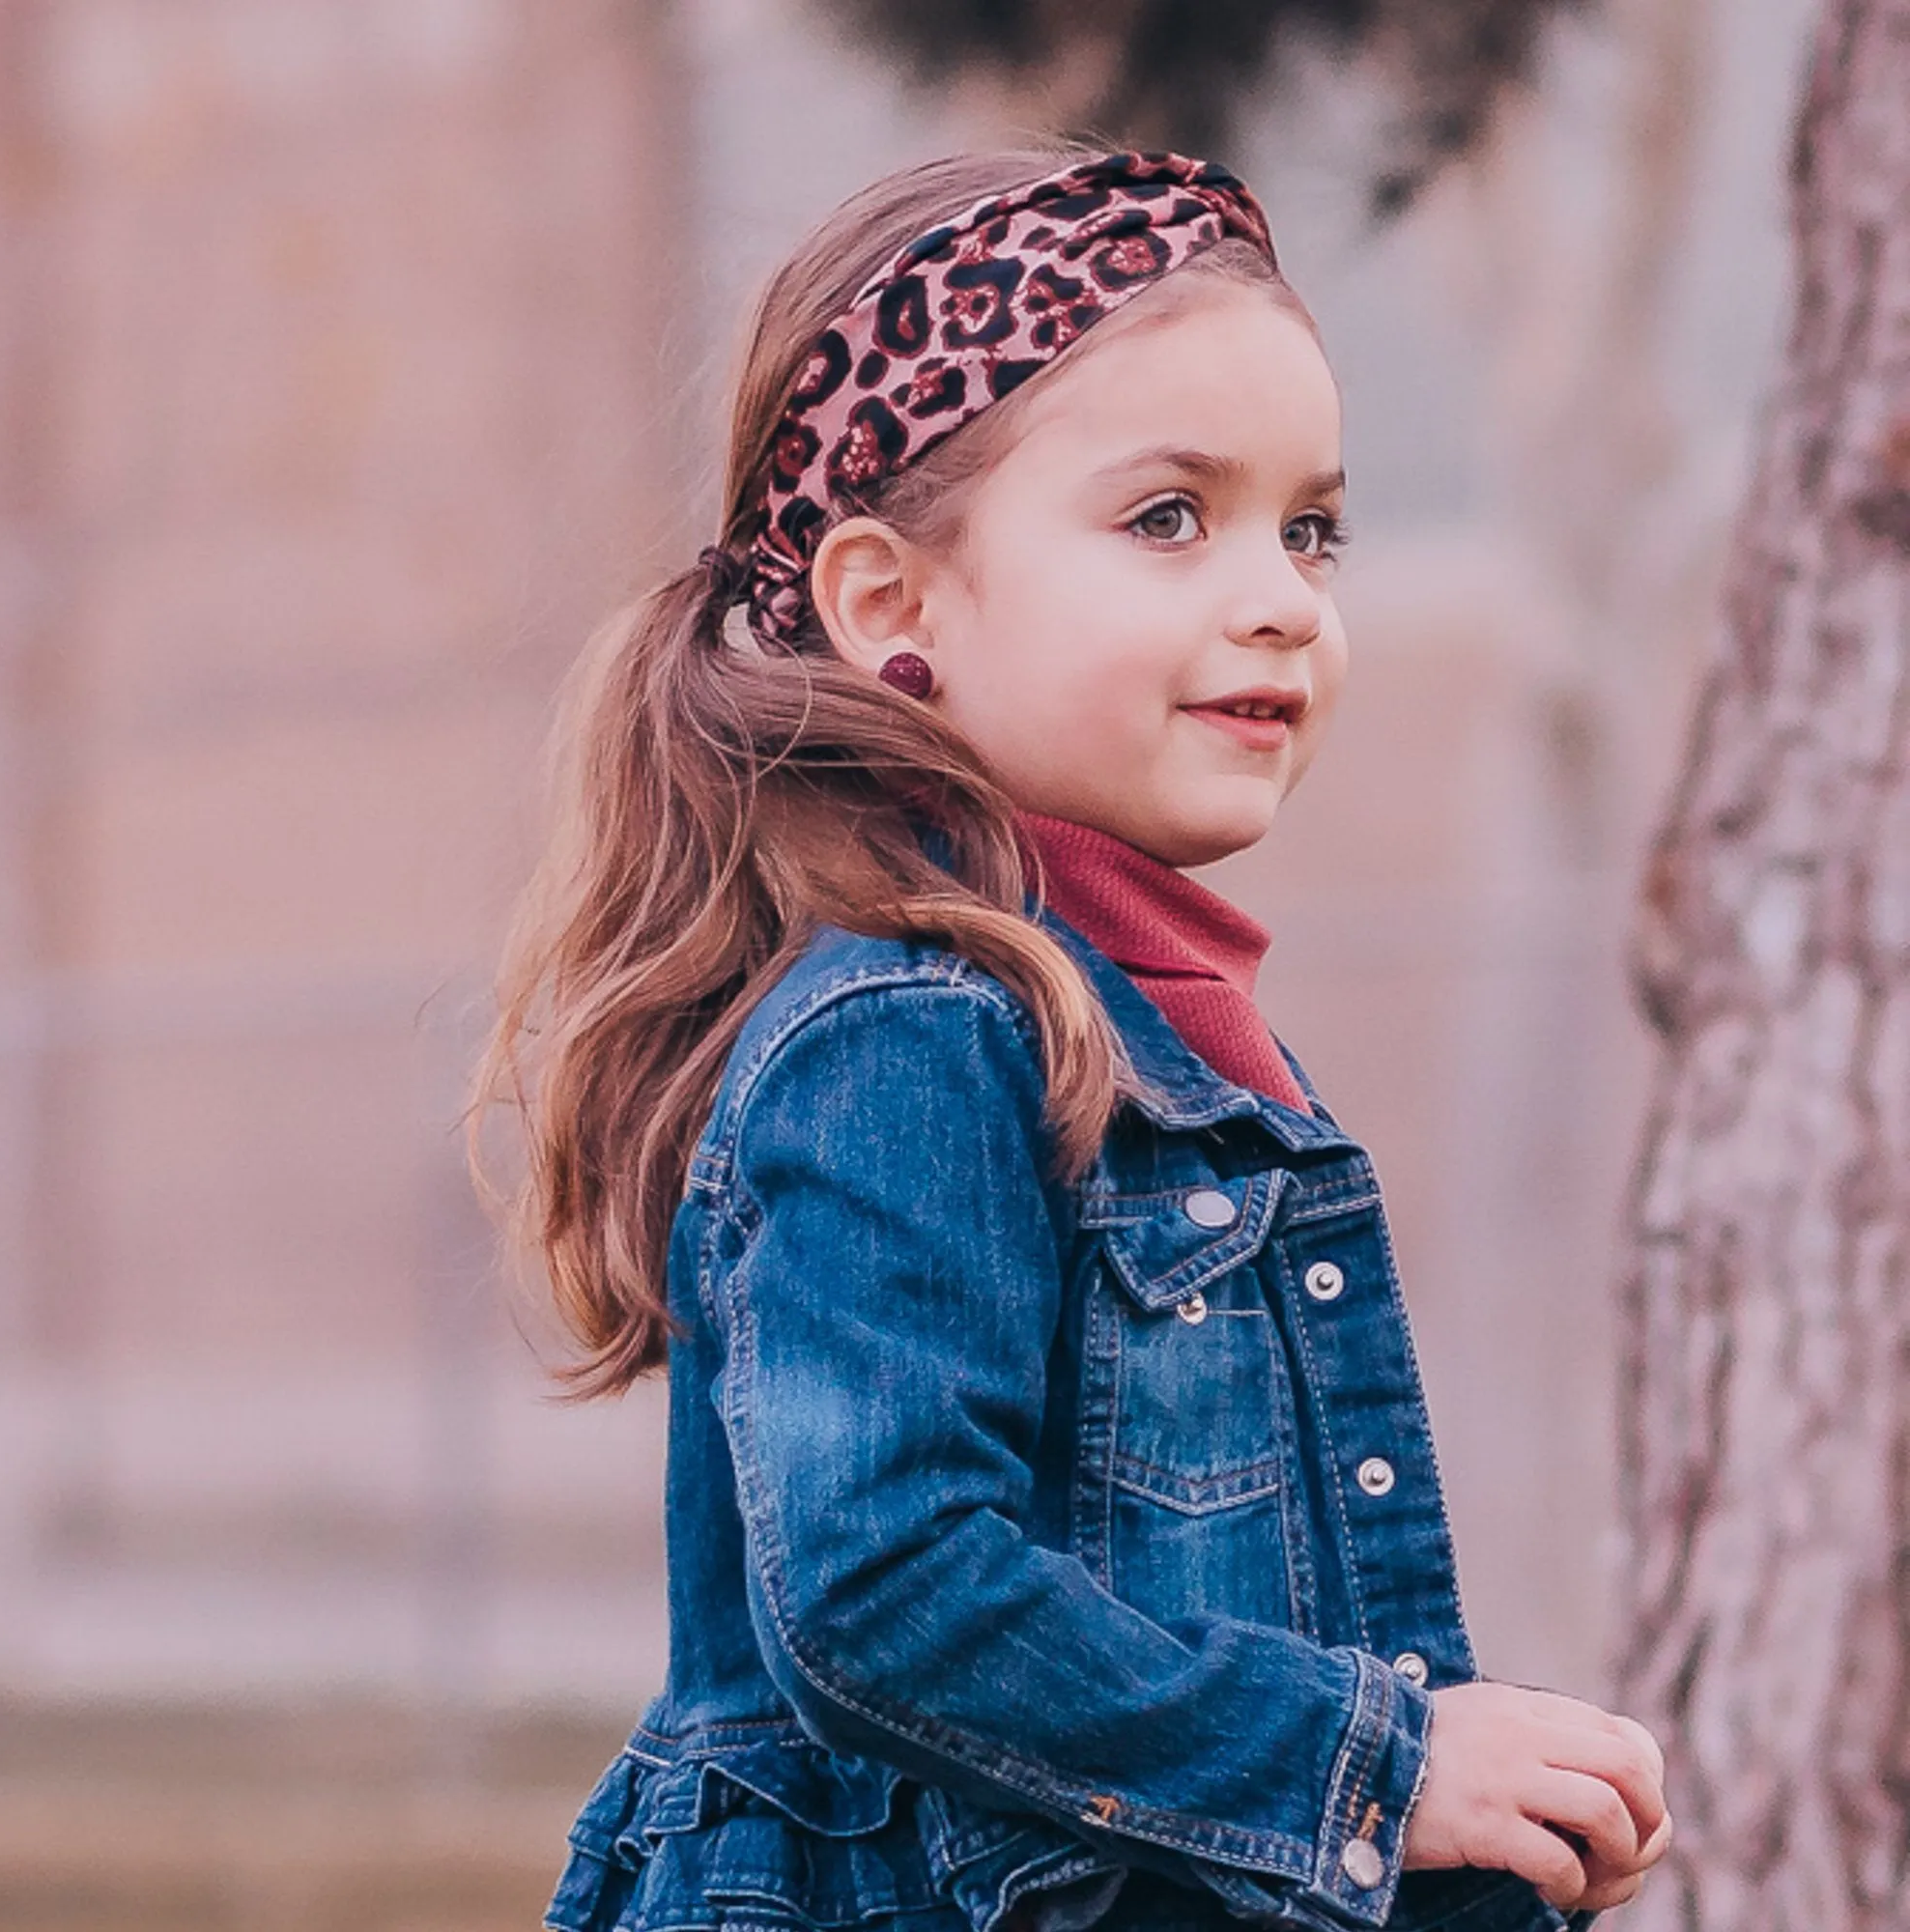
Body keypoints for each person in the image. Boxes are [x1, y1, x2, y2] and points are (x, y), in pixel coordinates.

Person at [475, 147, 1672, 1932]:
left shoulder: (1144, 1022)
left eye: (1313, 527)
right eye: (1170, 518)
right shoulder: (908, 1034)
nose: (1279, 594)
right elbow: (887, 1589)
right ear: (894, 609)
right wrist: (1388, 1767)